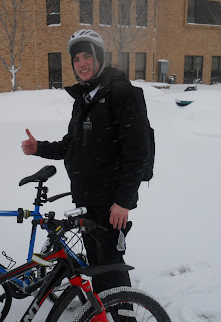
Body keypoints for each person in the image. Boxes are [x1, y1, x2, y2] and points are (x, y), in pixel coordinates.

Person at [21, 29, 151, 295]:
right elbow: (72, 145)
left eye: (87, 56)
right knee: (96, 263)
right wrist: (39, 148)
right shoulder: (84, 99)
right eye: (77, 59)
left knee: (110, 265)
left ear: (99, 58)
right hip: (86, 199)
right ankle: (102, 306)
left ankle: (122, 311)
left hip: (111, 203)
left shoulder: (123, 94)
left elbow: (137, 153)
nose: (82, 64)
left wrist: (124, 202)